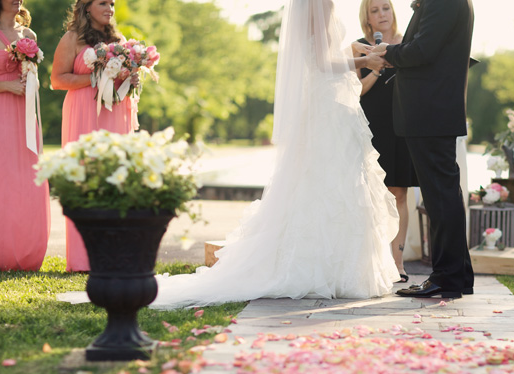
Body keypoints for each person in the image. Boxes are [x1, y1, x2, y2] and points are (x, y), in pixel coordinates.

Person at [148, 0, 398, 309]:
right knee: (327, 183)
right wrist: (365, 61)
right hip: (327, 109)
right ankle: (321, 271)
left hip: (331, 104)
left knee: (336, 184)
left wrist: (357, 51)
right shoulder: (317, 3)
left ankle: (339, 270)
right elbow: (322, 63)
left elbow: (325, 52)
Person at [381, 0, 475, 298]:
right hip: (433, 112)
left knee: (439, 197)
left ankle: (446, 277)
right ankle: (459, 276)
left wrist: (387, 52)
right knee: (444, 195)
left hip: (430, 112)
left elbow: (422, 50)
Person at [51, 0, 137, 272]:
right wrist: (94, 79)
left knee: (115, 177)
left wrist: (131, 80)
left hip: (114, 113)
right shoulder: (72, 38)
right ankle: (82, 258)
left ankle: (114, 253)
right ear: (87, 7)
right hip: (83, 113)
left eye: (112, 3)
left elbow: (119, 82)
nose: (110, 7)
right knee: (84, 178)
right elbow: (57, 80)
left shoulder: (119, 41)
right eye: (103, 2)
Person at [354, 0, 418, 284]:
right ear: (367, 18)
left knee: (399, 193)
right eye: (374, 10)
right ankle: (373, 262)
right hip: (371, 127)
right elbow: (357, 91)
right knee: (370, 195)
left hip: (402, 125)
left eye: (385, 8)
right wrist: (376, 67)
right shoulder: (358, 48)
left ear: (393, 11)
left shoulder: (410, 44)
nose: (381, 14)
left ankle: (397, 263)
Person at [0, 0, 49, 271]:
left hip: (23, 116)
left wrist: (29, 82)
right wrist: (8, 86)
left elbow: (33, 77)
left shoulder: (29, 34)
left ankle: (24, 250)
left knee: (23, 180)